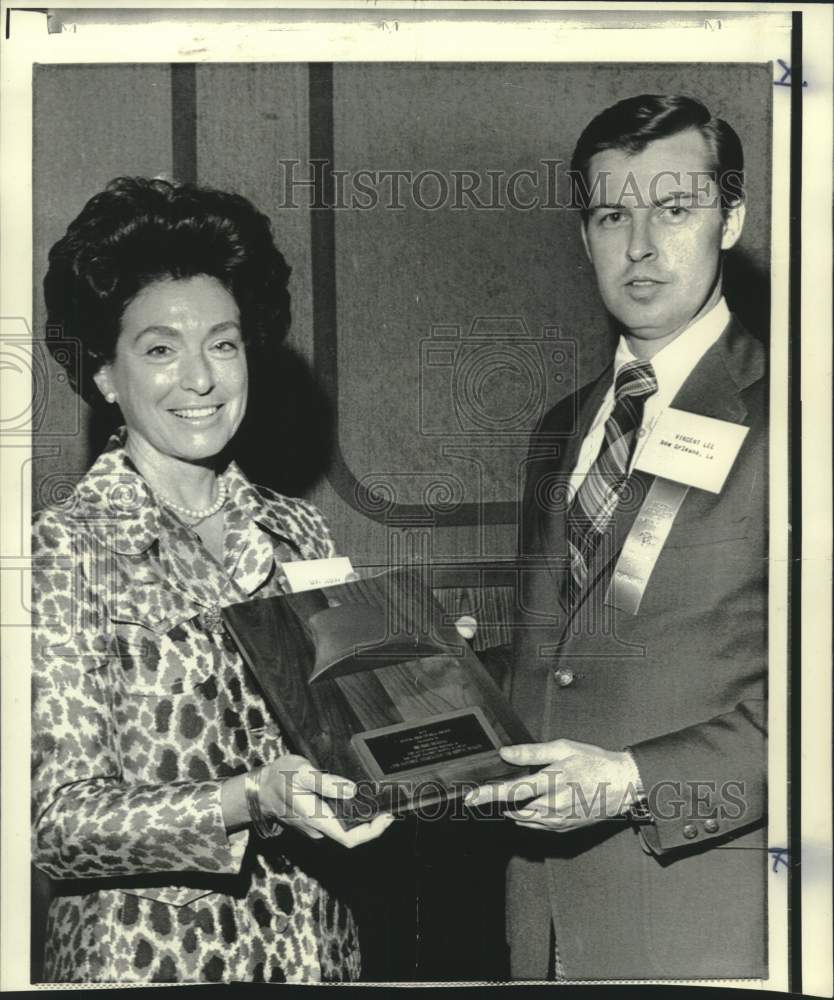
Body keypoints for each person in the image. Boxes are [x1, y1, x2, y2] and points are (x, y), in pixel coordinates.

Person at [31, 177, 395, 983]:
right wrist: (249, 798)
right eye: (160, 349)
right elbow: (56, 822)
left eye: (223, 344)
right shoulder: (64, 548)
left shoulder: (298, 528)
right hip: (150, 963)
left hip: (314, 951)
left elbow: (344, 740)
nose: (200, 378)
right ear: (105, 376)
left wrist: (421, 682)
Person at [466, 95, 767, 980]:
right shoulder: (560, 430)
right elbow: (561, 664)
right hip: (543, 926)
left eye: (674, 209)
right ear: (583, 235)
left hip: (708, 921)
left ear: (731, 219)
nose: (640, 246)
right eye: (611, 215)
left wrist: (635, 777)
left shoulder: (800, 416)